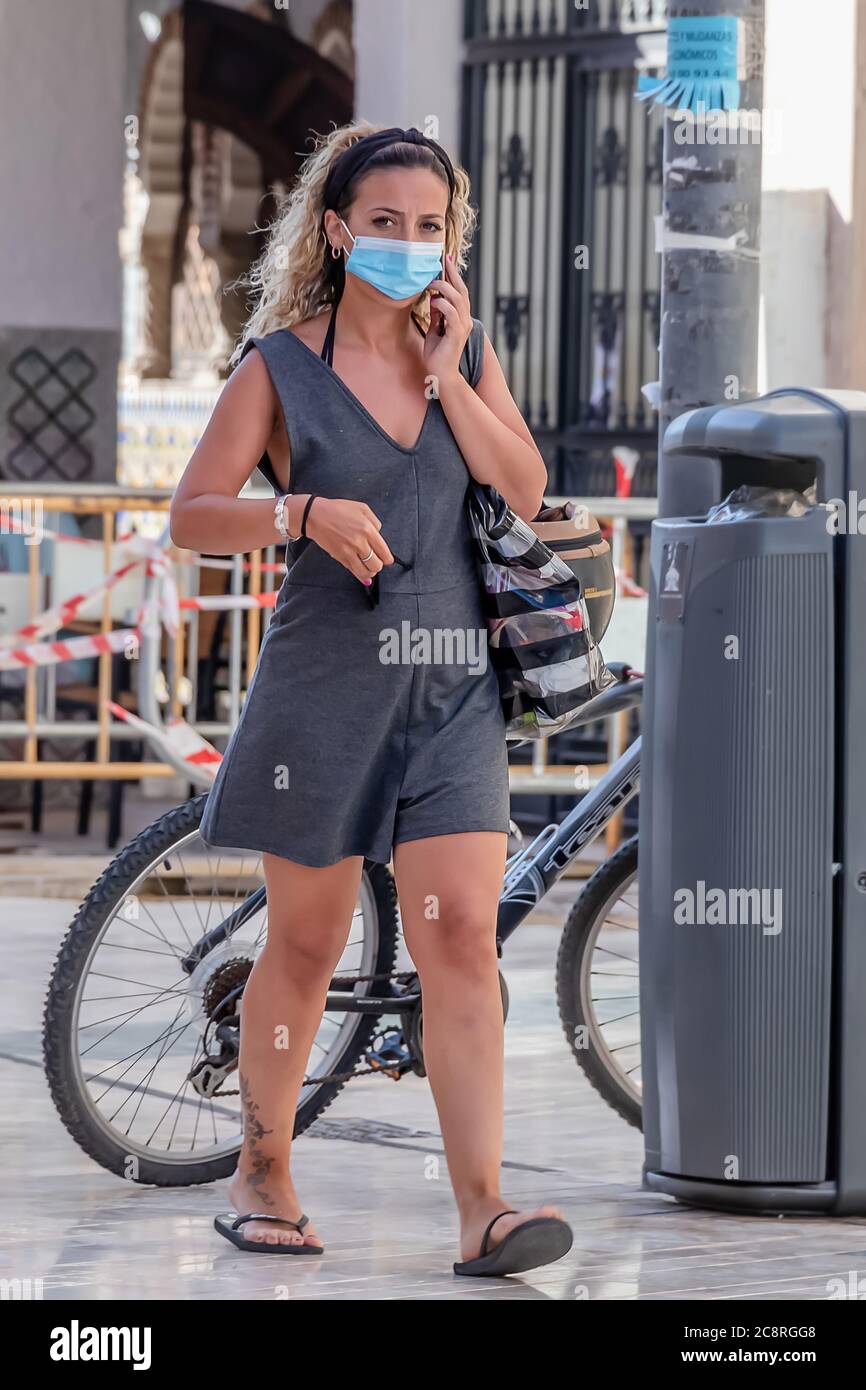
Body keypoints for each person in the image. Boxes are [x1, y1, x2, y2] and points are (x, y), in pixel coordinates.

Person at [170, 121, 572, 1277]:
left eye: (429, 226)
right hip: (323, 692)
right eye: (383, 223)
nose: (407, 243)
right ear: (337, 230)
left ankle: (484, 1208)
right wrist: (294, 514)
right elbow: (193, 516)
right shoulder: (278, 367)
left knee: (457, 947)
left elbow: (526, 483)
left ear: (452, 239)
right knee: (303, 945)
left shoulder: (463, 352)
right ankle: (262, 1174)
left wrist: (447, 374)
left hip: (452, 698)